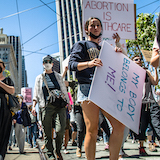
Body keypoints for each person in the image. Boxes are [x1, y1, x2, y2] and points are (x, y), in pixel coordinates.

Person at [68, 17, 125, 160]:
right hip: (88, 88)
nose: (95, 27)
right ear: (86, 29)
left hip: (106, 88)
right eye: (92, 25)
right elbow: (72, 65)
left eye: (98, 25)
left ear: (101, 29)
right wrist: (89, 63)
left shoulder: (105, 48)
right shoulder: (81, 44)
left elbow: (121, 65)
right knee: (92, 130)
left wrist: (118, 50)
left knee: (119, 126)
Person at [32, 55, 71, 160]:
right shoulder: (39, 78)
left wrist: (69, 103)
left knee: (60, 129)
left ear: (52, 64)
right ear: (43, 64)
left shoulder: (58, 76)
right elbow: (36, 93)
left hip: (60, 105)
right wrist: (33, 106)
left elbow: (63, 89)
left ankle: (58, 150)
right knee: (47, 131)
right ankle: (50, 153)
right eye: (45, 62)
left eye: (49, 61)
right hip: (45, 106)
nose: (47, 63)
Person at [132, 55, 160, 155]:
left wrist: (155, 69)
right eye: (136, 60)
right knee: (142, 127)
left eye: (140, 59)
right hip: (140, 104)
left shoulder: (147, 72)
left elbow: (155, 82)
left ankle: (153, 142)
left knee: (157, 125)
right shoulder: (131, 73)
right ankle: (141, 147)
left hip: (151, 102)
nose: (139, 61)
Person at [0, 59, 15, 160]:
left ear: (4, 68)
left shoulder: (7, 79)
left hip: (4, 111)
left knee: (3, 134)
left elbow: (12, 91)